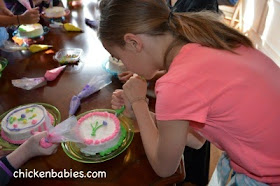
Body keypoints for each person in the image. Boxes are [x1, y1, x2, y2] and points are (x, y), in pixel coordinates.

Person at [98, 0, 280, 185]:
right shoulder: (200, 41)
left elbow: (164, 167)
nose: (124, 64)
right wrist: (144, 115)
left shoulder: (176, 84)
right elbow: (197, 139)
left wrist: (139, 103)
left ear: (133, 42)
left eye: (118, 57)